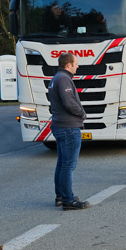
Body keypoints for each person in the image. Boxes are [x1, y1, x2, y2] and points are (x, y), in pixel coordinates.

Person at [48, 52, 90, 210]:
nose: (77, 66)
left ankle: (61, 195)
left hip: (59, 125)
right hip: (68, 127)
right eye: (76, 63)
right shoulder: (64, 79)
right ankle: (68, 200)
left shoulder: (55, 78)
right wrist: (82, 113)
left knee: (62, 163)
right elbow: (69, 102)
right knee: (68, 165)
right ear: (68, 65)